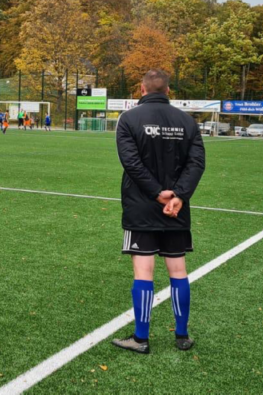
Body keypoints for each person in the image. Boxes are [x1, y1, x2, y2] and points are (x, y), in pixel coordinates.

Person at [111, 69, 205, 355]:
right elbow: (197, 163)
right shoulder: (186, 120)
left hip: (142, 207)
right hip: (175, 209)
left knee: (144, 271)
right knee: (178, 270)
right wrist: (178, 195)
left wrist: (157, 193)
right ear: (167, 91)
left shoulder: (128, 119)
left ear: (141, 89)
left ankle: (141, 339)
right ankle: (182, 336)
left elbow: (131, 163)